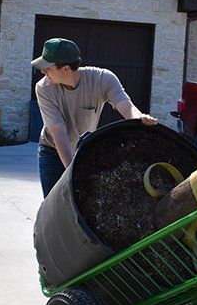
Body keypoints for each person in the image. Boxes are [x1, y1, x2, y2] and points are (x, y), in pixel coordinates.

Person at [32, 38, 157, 197]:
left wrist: (140, 118)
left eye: (47, 67)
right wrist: (73, 173)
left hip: (82, 149)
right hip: (53, 151)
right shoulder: (44, 88)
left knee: (82, 201)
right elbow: (59, 134)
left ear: (65, 69)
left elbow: (126, 106)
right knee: (53, 204)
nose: (43, 71)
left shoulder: (103, 79)